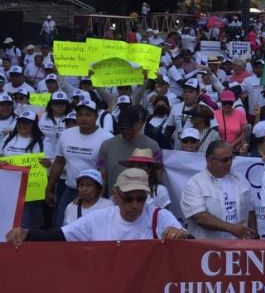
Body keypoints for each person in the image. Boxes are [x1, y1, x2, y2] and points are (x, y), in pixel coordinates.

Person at [6, 168, 188, 245]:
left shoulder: (160, 216)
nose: (135, 205)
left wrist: (181, 235)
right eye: (128, 198)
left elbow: (189, 241)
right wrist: (27, 233)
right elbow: (60, 235)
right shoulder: (99, 218)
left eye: (141, 199)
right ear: (116, 195)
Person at [45, 100, 113, 228]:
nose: (83, 118)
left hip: (95, 194)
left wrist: (98, 196)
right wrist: (49, 188)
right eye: (80, 115)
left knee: (91, 230)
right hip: (70, 190)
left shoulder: (106, 138)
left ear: (96, 117)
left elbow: (105, 170)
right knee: (61, 228)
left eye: (88, 115)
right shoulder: (66, 135)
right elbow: (59, 162)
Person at [181, 140, 258, 239]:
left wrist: (255, 238)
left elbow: (250, 210)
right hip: (208, 249)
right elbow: (200, 217)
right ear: (210, 161)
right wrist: (231, 228)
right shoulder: (195, 184)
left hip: (239, 247)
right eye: (225, 160)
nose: (229, 163)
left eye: (231, 158)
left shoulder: (240, 179)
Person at [97, 106, 161, 192]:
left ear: (138, 124)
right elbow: (102, 176)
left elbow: (158, 174)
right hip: (114, 200)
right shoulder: (106, 145)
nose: (125, 132)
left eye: (129, 129)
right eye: (122, 129)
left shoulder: (153, 146)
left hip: (142, 200)